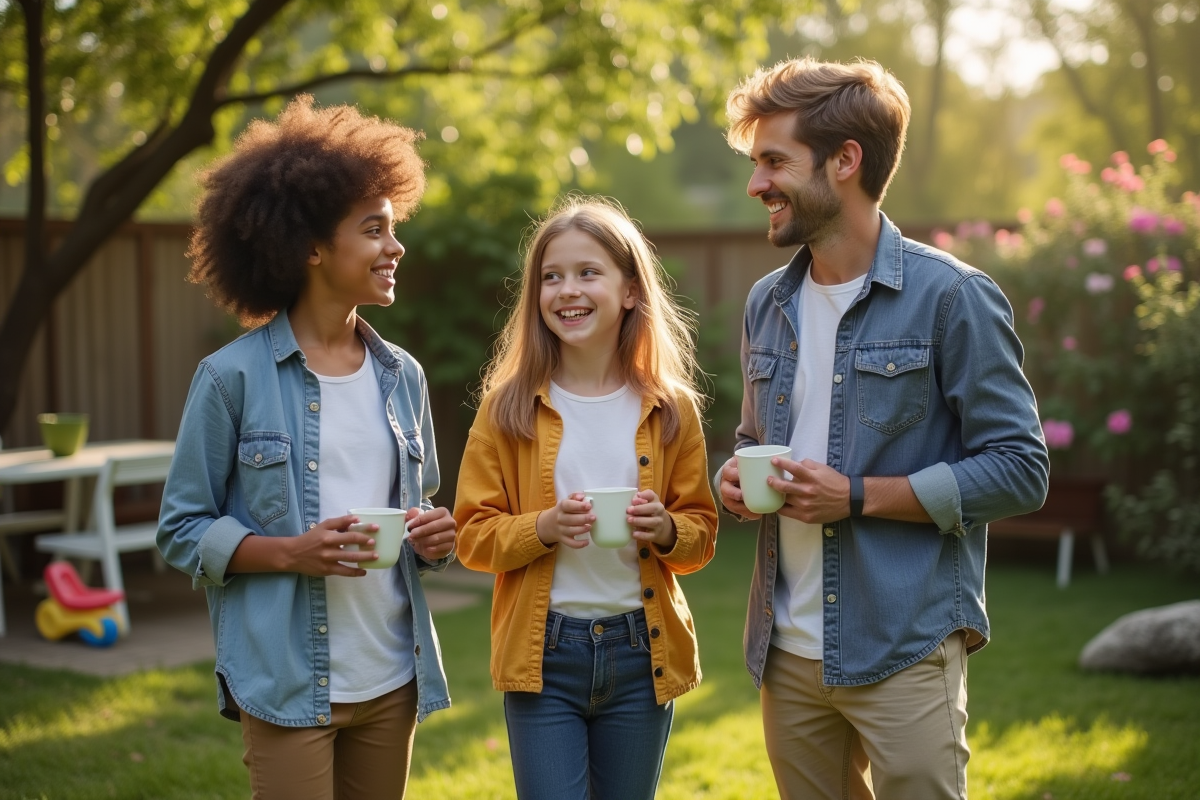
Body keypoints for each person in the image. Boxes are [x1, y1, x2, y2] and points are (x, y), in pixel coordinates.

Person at [716, 58, 1049, 799]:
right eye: (754, 162)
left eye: (774, 161)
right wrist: (734, 478)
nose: (756, 184)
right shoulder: (767, 302)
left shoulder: (952, 298)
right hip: (786, 652)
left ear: (845, 161)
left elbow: (1021, 468)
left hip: (904, 645)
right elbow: (752, 437)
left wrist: (858, 496)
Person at [157, 96, 457, 800]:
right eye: (374, 229)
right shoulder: (231, 378)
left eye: (394, 227)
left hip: (392, 675)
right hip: (287, 681)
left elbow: (421, 513)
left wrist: (434, 536)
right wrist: (292, 553)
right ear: (313, 248)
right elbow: (180, 530)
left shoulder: (402, 376)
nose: (396, 246)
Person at [453, 197, 719, 800]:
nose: (566, 289)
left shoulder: (671, 408)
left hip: (640, 653)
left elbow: (701, 534)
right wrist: (541, 527)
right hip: (543, 657)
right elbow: (471, 536)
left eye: (586, 272)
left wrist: (667, 529)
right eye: (552, 276)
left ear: (629, 291)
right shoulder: (508, 408)